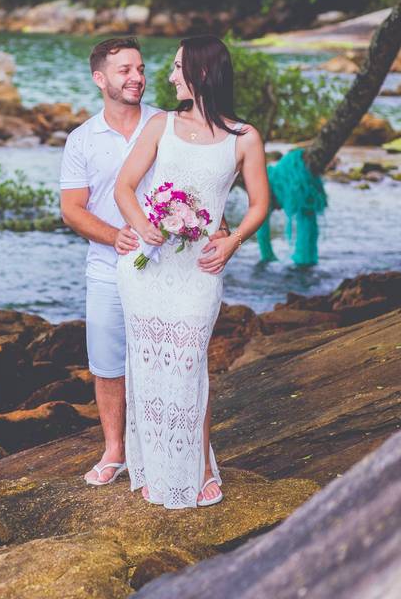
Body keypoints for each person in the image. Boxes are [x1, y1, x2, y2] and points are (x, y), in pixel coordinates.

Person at [59, 37, 230, 487]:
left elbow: (199, 182)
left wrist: (222, 228)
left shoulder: (169, 122)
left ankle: (186, 456)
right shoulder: (81, 140)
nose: (137, 77)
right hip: (106, 267)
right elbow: (72, 209)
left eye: (139, 69)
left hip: (168, 268)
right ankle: (116, 451)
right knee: (108, 361)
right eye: (124, 71)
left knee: (177, 362)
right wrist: (115, 234)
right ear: (100, 79)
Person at [113, 35, 270, 509]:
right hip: (148, 267)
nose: (169, 76)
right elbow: (124, 187)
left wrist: (231, 241)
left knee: (189, 366)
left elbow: (261, 204)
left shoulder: (245, 138)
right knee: (147, 366)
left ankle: (199, 467)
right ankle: (153, 466)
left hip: (201, 269)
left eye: (178, 67)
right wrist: (144, 226)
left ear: (201, 73)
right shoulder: (161, 124)